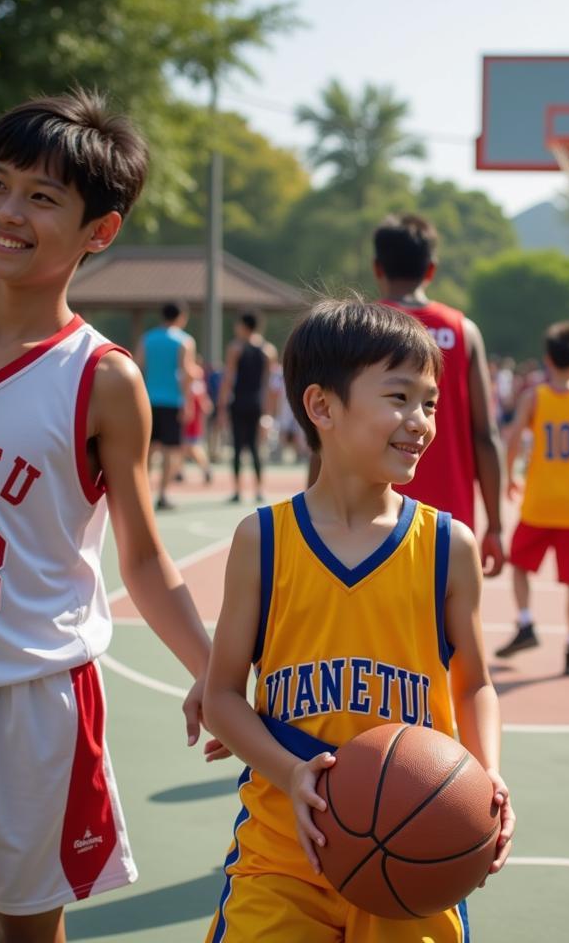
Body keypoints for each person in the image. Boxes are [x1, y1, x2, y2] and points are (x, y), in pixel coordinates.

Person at [0, 90, 221, 943]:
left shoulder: (103, 379)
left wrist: (214, 671)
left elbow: (146, 560)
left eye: (42, 198)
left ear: (100, 230)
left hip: (35, 703)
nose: (7, 213)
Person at [201, 298, 514, 941]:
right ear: (322, 407)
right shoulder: (263, 540)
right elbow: (223, 696)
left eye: (429, 403)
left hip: (416, 851)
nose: (421, 422)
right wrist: (288, 771)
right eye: (399, 397)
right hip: (282, 853)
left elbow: (476, 683)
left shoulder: (446, 547)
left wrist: (486, 774)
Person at [372, 214, 505, 575]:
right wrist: (495, 524)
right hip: (450, 520)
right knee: (444, 628)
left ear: (377, 268)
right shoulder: (464, 331)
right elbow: (485, 434)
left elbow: (328, 431)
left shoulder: (360, 328)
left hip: (369, 517)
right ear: (431, 270)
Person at [496, 322, 569, 676]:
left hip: (539, 503)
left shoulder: (535, 397)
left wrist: (509, 478)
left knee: (518, 566)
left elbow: (514, 438)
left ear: (547, 358)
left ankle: (526, 622)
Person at [135, 301, 194, 510]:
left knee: (148, 450)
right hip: (172, 401)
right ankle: (163, 495)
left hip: (149, 401)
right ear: (181, 318)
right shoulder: (184, 341)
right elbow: (186, 373)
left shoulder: (147, 339)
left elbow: (137, 368)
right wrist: (187, 401)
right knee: (171, 451)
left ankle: (144, 494)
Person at [218, 311, 277, 504]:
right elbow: (270, 385)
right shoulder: (268, 350)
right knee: (255, 448)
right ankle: (259, 490)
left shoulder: (235, 348)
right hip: (257, 404)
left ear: (244, 326)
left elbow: (228, 379)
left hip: (240, 403)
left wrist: (221, 407)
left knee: (237, 448)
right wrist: (269, 412)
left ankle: (237, 491)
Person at [180, 357, 214, 484]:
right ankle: (179, 471)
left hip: (191, 418)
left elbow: (202, 402)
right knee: (183, 446)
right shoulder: (193, 379)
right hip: (190, 416)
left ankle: (206, 469)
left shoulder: (193, 377)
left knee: (192, 445)